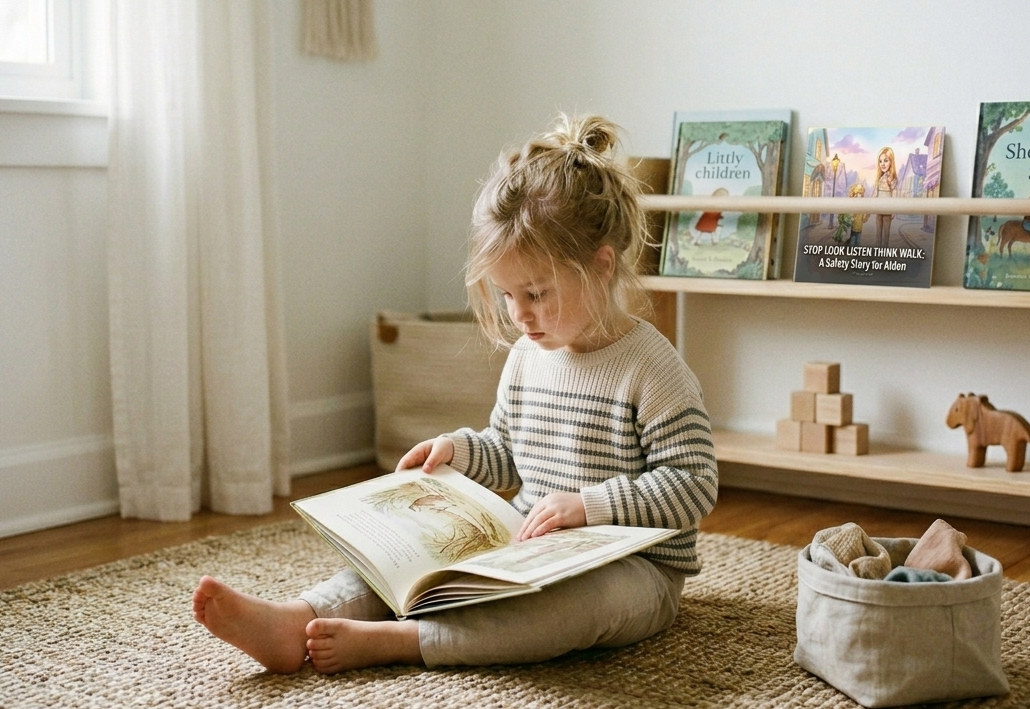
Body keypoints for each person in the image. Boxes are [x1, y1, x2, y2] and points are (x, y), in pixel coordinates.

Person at [192, 113, 719, 674]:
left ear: (600, 266)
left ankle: (410, 641)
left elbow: (694, 486)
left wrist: (588, 507)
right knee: (416, 559)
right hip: (532, 548)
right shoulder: (526, 358)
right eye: (507, 294)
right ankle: (296, 618)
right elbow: (509, 449)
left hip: (635, 569)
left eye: (536, 293)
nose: (519, 315)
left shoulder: (652, 367)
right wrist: (459, 453)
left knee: (577, 607)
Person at [874, 146, 898, 247]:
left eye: (886, 160)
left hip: (888, 208)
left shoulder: (892, 178)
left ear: (891, 162)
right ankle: (877, 249)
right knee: (878, 230)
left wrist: (893, 209)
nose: (882, 164)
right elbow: (876, 193)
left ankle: (884, 249)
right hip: (879, 208)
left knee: (886, 232)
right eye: (880, 161)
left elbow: (895, 194)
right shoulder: (880, 178)